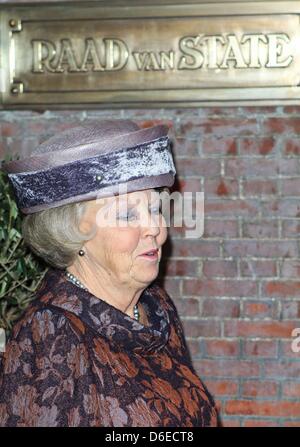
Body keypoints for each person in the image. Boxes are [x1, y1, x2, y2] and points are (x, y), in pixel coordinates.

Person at [0, 119, 218, 427]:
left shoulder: (156, 307)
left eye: (155, 209)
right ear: (74, 233)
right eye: (127, 214)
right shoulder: (52, 333)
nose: (155, 228)